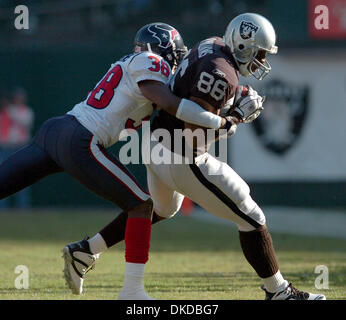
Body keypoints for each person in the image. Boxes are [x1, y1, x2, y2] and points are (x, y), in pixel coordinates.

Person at [64, 13, 326, 300]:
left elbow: (196, 86)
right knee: (251, 216)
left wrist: (233, 97)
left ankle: (87, 250)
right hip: (182, 154)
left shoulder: (212, 44)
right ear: (243, 45)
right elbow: (194, 130)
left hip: (155, 142)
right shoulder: (221, 74)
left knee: (162, 209)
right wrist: (235, 118)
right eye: (260, 53)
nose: (262, 60)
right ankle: (279, 292)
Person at [0, 22, 233, 300]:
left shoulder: (133, 62)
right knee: (142, 205)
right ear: (164, 49)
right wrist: (222, 121)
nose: (177, 59)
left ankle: (88, 257)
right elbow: (171, 104)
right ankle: (132, 291)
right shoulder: (152, 62)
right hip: (80, 139)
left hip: (56, 131)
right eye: (176, 52)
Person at [0, 87, 34, 209]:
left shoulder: (26, 111)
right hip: (6, 147)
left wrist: (9, 109)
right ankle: (2, 207)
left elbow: (24, 122)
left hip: (20, 146)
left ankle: (23, 207)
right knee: (4, 175)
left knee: (23, 176)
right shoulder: (7, 111)